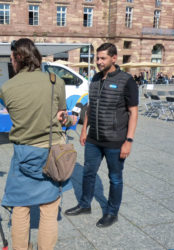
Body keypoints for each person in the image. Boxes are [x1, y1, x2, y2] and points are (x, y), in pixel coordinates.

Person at [0, 38, 76, 250]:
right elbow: (62, 114)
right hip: (51, 152)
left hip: (24, 153)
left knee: (20, 207)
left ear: (17, 58)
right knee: (50, 209)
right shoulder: (55, 81)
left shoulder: (6, 88)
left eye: (11, 58)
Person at [65, 43, 138, 228]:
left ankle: (112, 212)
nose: (98, 61)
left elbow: (133, 112)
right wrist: (84, 130)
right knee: (88, 174)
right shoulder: (95, 79)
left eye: (102, 58)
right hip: (93, 139)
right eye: (97, 58)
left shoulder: (126, 80)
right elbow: (91, 106)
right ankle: (84, 204)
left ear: (114, 58)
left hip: (115, 140)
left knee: (115, 178)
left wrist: (129, 140)